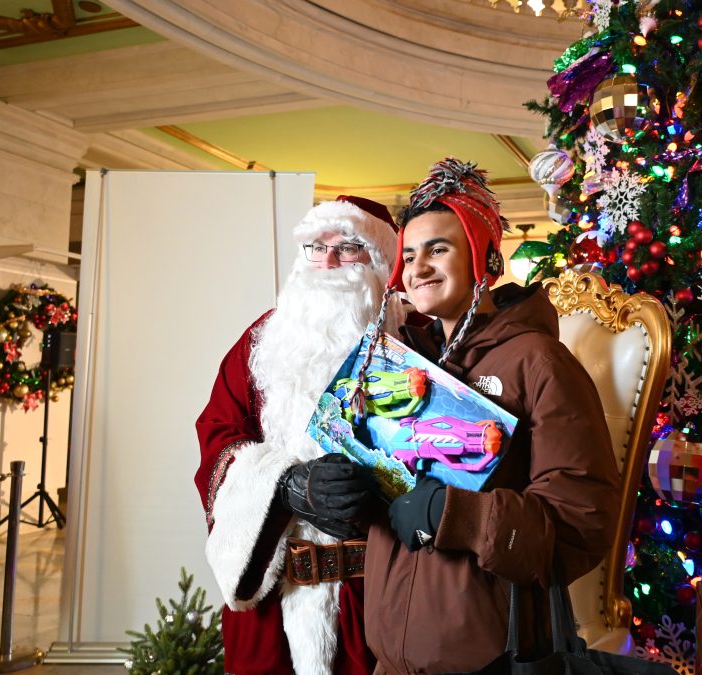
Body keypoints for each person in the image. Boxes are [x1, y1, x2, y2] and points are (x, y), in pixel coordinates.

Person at [360, 159, 620, 673]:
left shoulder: (539, 363)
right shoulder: (397, 362)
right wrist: (340, 484)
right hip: (389, 659)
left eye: (439, 249)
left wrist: (456, 515)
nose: (419, 268)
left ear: (485, 259)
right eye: (409, 255)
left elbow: (581, 524)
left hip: (495, 659)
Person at [195, 196, 403, 675]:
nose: (327, 261)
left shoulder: (414, 346)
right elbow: (216, 441)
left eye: (348, 248)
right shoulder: (259, 343)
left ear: (381, 264)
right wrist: (288, 486)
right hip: (275, 604)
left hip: (380, 598)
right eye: (316, 247)